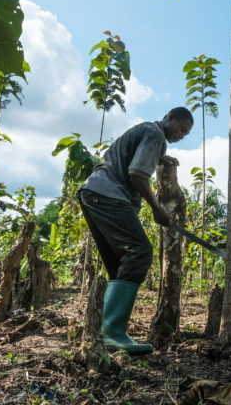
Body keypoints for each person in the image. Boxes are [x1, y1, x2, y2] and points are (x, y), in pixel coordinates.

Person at [77, 107, 194, 354]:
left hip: (93, 193)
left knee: (120, 264)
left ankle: (98, 331)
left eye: (186, 133)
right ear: (169, 117)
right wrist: (156, 208)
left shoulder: (148, 133)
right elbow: (137, 174)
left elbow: (130, 157)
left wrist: (161, 158)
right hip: (109, 194)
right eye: (182, 129)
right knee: (139, 252)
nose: (182, 135)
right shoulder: (155, 133)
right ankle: (112, 332)